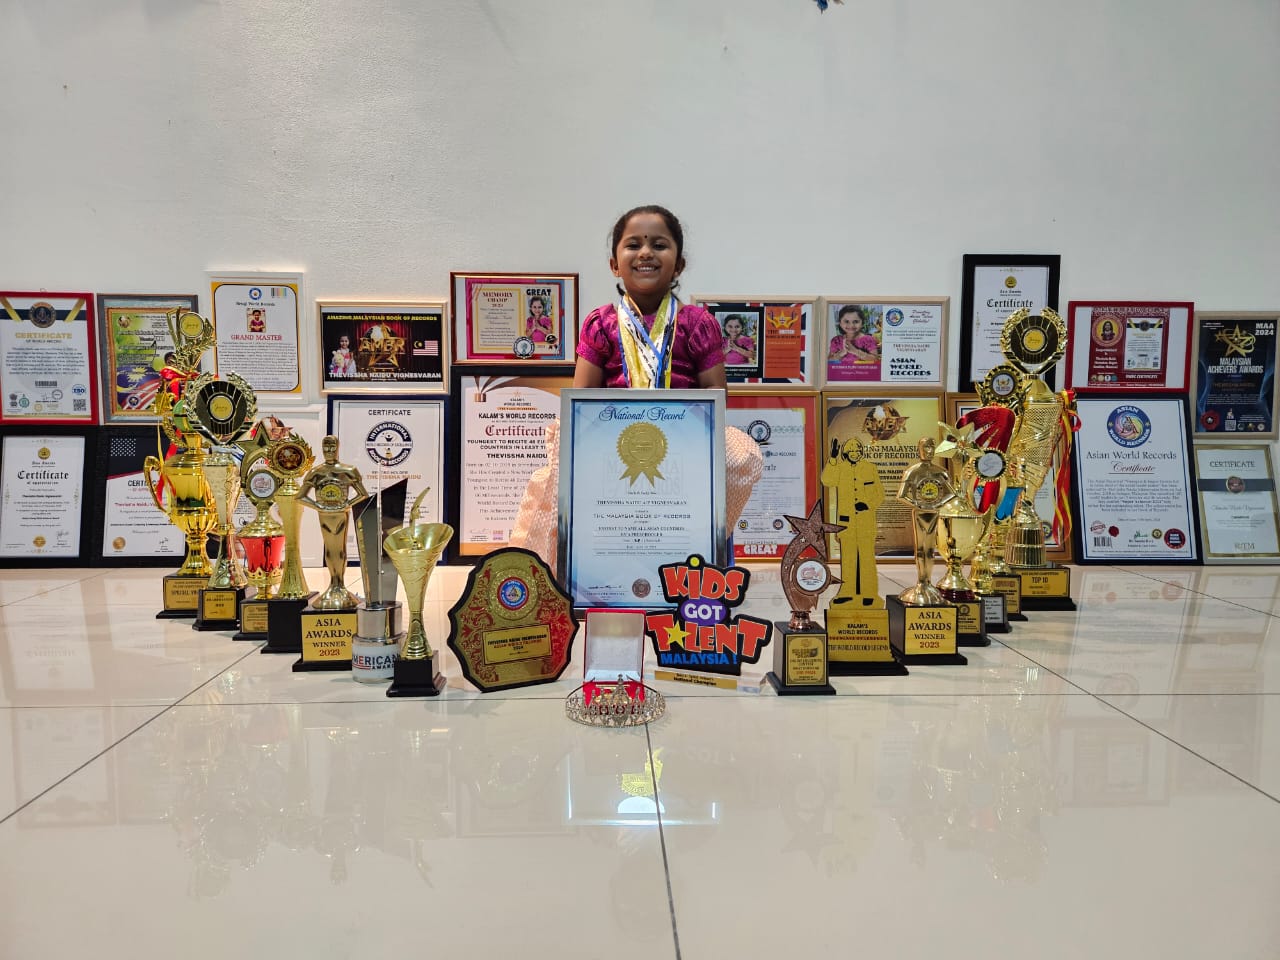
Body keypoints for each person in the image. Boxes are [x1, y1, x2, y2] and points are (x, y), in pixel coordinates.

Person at [509, 205, 763, 571]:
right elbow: (580, 402)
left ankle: (699, 575)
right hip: (612, 449)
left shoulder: (698, 322)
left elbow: (717, 401)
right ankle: (572, 577)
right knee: (559, 455)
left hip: (684, 449)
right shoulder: (600, 323)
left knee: (738, 454)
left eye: (659, 244)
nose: (646, 253)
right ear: (614, 263)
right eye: (633, 245)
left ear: (679, 264)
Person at [296, 436, 369, 610]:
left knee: (340, 549)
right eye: (325, 447)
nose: (329, 451)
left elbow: (363, 494)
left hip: (340, 515)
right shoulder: (316, 472)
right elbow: (299, 496)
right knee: (329, 549)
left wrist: (346, 504)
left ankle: (340, 585)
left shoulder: (349, 470)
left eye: (332, 447)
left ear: (338, 447)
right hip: (325, 515)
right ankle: (333, 584)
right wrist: (318, 506)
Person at [820, 437, 884, 606]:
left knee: (866, 558)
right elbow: (827, 480)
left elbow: (879, 494)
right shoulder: (839, 468)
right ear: (845, 453)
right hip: (846, 523)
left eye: (858, 451)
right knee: (848, 559)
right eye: (851, 451)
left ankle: (868, 593)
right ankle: (847, 592)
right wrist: (832, 459)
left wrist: (868, 504)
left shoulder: (870, 468)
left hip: (865, 522)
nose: (855, 454)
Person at [896, 437, 957, 606]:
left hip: (934, 513)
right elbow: (901, 495)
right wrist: (918, 503)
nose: (928, 451)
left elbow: (952, 493)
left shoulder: (941, 471)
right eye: (925, 447)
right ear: (919, 449)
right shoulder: (912, 471)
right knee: (921, 549)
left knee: (931, 550)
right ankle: (921, 582)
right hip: (920, 514)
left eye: (931, 447)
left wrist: (937, 503)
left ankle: (927, 582)